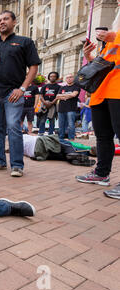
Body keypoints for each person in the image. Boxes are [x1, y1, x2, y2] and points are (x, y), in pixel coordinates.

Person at [0, 11, 41, 177]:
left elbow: (34, 67)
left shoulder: (24, 42)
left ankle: (16, 165)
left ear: (14, 22)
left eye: (6, 19)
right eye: (0, 20)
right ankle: (0, 161)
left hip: (13, 93)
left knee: (14, 126)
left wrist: (22, 89)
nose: (2, 22)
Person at [76, 2, 120, 200]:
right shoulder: (116, 22)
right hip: (101, 91)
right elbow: (106, 61)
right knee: (103, 136)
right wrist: (89, 56)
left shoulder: (115, 32)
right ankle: (101, 173)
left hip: (117, 89)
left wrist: (113, 36)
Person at [22, 134, 95, 167]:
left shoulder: (14, 147)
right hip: (40, 142)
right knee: (65, 145)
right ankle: (88, 152)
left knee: (62, 155)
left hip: (37, 154)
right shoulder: (23, 135)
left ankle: (74, 160)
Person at [56, 74, 80, 141]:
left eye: (70, 77)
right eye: (67, 78)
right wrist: (68, 96)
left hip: (71, 109)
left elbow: (74, 94)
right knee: (61, 125)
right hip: (61, 109)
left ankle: (71, 138)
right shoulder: (62, 88)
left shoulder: (76, 87)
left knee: (71, 124)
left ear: (73, 78)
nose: (69, 79)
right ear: (65, 79)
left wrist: (63, 96)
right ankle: (61, 138)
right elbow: (57, 96)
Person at [38, 72, 61, 136]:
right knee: (42, 119)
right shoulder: (44, 86)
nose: (52, 78)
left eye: (54, 76)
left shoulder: (58, 87)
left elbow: (58, 96)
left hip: (53, 105)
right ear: (49, 77)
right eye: (51, 76)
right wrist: (45, 102)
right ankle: (41, 132)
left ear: (56, 78)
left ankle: (50, 134)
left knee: (52, 120)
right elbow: (41, 95)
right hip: (44, 105)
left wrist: (52, 103)